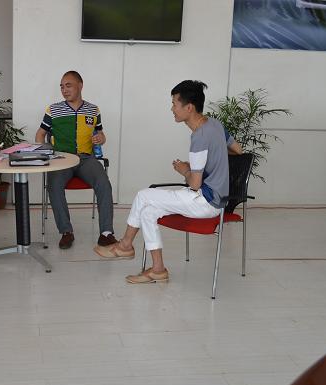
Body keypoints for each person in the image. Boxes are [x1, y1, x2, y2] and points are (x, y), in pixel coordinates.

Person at [95, 80, 243, 284]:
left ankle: (125, 246)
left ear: (189, 107)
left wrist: (185, 170)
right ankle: (158, 269)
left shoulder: (199, 137)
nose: (172, 109)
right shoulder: (215, 125)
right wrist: (210, 160)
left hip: (206, 201)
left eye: (174, 104)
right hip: (217, 199)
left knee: (143, 195)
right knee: (148, 212)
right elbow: (238, 150)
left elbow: (195, 184)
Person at [35, 70, 117, 250]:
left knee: (104, 183)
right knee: (54, 185)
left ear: (80, 86)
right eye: (62, 87)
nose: (64, 90)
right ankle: (66, 232)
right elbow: (40, 134)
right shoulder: (53, 110)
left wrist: (101, 138)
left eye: (68, 85)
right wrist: (45, 153)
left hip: (86, 159)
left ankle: (106, 233)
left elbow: (101, 134)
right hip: (62, 158)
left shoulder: (93, 110)